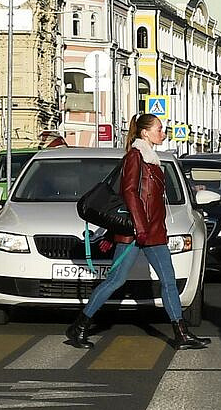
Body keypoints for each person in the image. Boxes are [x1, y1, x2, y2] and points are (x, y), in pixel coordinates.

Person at [64, 114, 210, 351]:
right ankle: (79, 327)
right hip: (136, 232)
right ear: (145, 133)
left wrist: (146, 227)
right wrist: (133, 229)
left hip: (153, 232)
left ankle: (181, 333)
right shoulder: (135, 157)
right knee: (116, 280)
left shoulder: (152, 159)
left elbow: (150, 200)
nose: (163, 133)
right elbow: (129, 193)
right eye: (159, 129)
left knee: (168, 280)